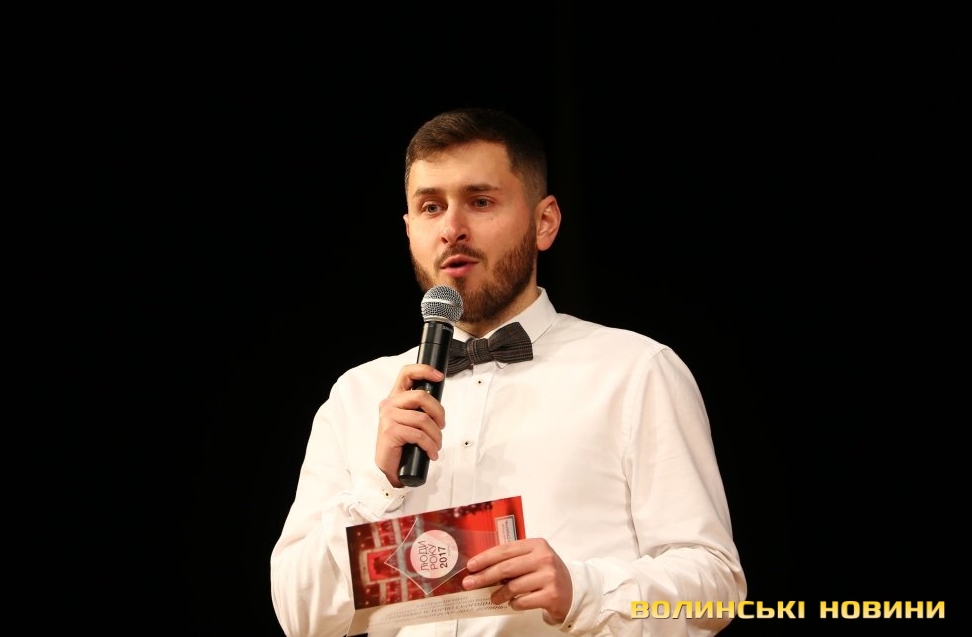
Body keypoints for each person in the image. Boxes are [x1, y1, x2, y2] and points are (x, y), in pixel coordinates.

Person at [270, 107, 746, 636]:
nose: (452, 229)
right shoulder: (357, 396)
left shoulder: (634, 372)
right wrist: (376, 485)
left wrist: (582, 590)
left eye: (480, 202)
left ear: (545, 222)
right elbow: (300, 615)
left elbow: (716, 588)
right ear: (409, 230)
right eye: (431, 207)